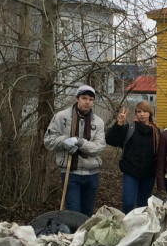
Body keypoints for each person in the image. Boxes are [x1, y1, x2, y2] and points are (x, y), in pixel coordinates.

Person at [44, 84, 106, 217]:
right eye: (84, 98)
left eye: (91, 99)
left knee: (87, 213)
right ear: (77, 98)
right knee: (73, 212)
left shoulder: (98, 122)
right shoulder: (62, 117)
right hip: (70, 172)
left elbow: (99, 147)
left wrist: (79, 141)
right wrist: (64, 141)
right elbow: (48, 141)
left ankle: (83, 237)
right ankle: (72, 237)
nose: (87, 102)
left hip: (91, 174)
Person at [105, 100, 160, 213]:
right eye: (139, 111)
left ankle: (139, 226)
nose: (142, 114)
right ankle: (126, 224)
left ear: (150, 113)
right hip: (131, 172)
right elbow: (110, 140)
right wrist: (119, 123)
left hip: (148, 174)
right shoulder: (129, 128)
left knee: (143, 204)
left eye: (145, 111)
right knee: (128, 202)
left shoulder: (156, 132)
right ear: (136, 114)